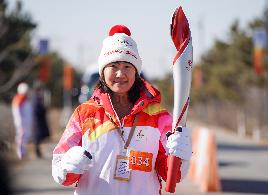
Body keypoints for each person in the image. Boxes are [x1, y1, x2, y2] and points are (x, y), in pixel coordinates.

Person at [52, 25, 192, 195]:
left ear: (136, 72)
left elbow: (171, 175)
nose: (120, 74)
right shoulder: (85, 114)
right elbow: (61, 171)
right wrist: (69, 165)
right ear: (103, 72)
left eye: (127, 66)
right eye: (114, 66)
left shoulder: (158, 116)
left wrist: (180, 159)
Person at [12, 82, 33, 160]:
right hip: (21, 123)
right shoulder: (18, 99)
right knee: (20, 136)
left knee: (25, 137)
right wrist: (20, 121)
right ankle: (19, 152)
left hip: (26, 122)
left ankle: (23, 152)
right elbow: (17, 112)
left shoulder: (26, 99)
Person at [32, 81, 50, 158]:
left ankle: (38, 151)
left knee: (39, 137)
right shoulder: (35, 98)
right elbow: (37, 109)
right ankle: (37, 151)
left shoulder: (38, 97)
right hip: (37, 120)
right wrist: (43, 109)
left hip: (39, 119)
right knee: (37, 136)